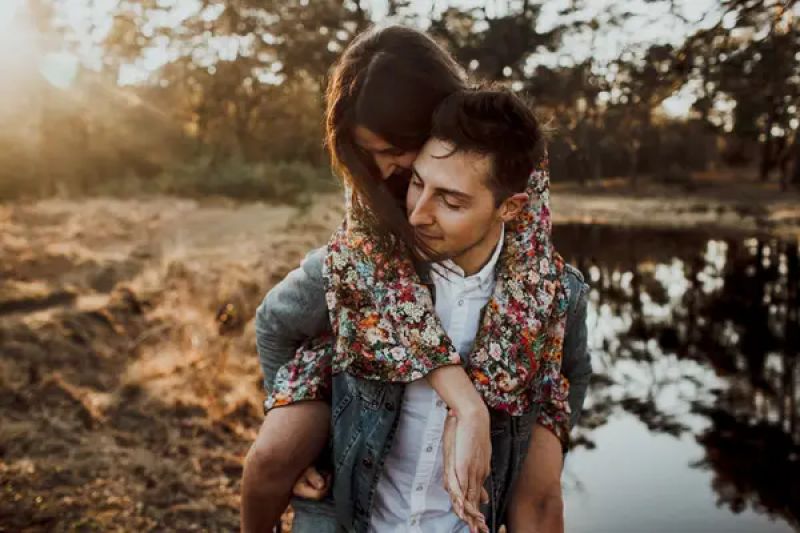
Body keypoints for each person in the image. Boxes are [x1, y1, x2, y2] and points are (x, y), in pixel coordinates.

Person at [241, 26, 592, 533]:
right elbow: (383, 287)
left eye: (396, 149)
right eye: (368, 152)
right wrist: (301, 427)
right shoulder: (367, 203)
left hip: (461, 490)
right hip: (359, 445)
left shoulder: (530, 232)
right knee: (273, 454)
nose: (383, 170)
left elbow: (546, 307)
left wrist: (534, 433)